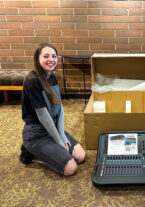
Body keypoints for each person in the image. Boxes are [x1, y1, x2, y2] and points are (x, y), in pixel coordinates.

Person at [20, 43, 86, 176]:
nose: (51, 59)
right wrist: (59, 141)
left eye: (54, 56)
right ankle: (29, 149)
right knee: (70, 168)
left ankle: (50, 149)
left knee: (80, 156)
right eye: (46, 56)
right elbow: (43, 116)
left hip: (53, 128)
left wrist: (61, 135)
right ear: (37, 59)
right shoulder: (32, 81)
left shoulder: (52, 76)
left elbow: (60, 108)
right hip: (36, 134)